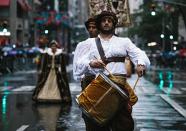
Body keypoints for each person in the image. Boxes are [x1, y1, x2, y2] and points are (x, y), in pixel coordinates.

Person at [73, 11, 150, 131]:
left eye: (109, 21)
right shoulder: (89, 43)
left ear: (114, 24)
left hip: (119, 88)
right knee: (95, 124)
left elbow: (139, 53)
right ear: (99, 24)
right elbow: (79, 63)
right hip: (98, 87)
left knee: (124, 124)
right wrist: (91, 63)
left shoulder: (124, 41)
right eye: (103, 21)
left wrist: (140, 64)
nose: (106, 23)